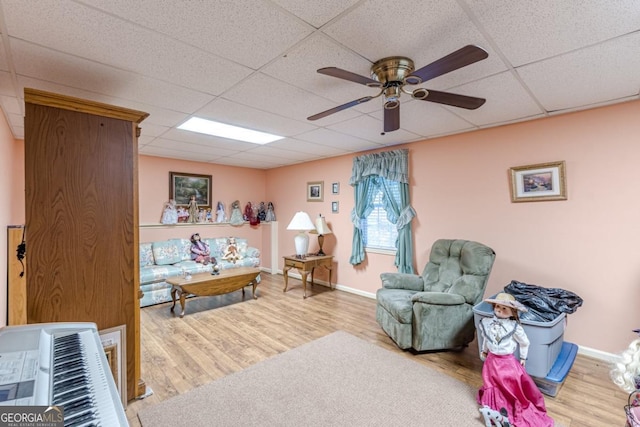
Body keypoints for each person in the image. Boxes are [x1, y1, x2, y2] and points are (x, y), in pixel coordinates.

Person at [477, 292, 553, 427]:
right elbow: (486, 340)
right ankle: (492, 408)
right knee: (490, 382)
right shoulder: (487, 323)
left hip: (507, 363)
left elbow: (525, 342)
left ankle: (506, 408)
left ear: (513, 312)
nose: (499, 310)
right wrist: (484, 350)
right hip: (491, 361)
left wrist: (523, 357)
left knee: (509, 384)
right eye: (497, 307)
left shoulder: (514, 327)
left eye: (504, 308)